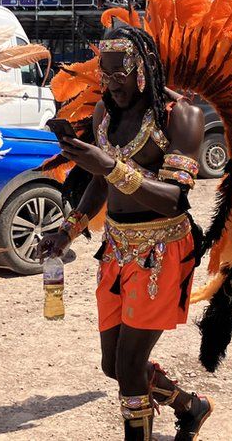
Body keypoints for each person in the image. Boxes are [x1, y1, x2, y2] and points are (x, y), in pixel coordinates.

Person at [35, 25, 212, 440]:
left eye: (120, 74)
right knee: (113, 366)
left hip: (162, 250)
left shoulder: (180, 117)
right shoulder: (105, 114)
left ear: (144, 70)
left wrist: (109, 165)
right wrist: (67, 232)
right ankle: (191, 406)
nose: (111, 84)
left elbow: (173, 198)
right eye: (105, 74)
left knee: (130, 367)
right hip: (116, 249)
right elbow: (99, 184)